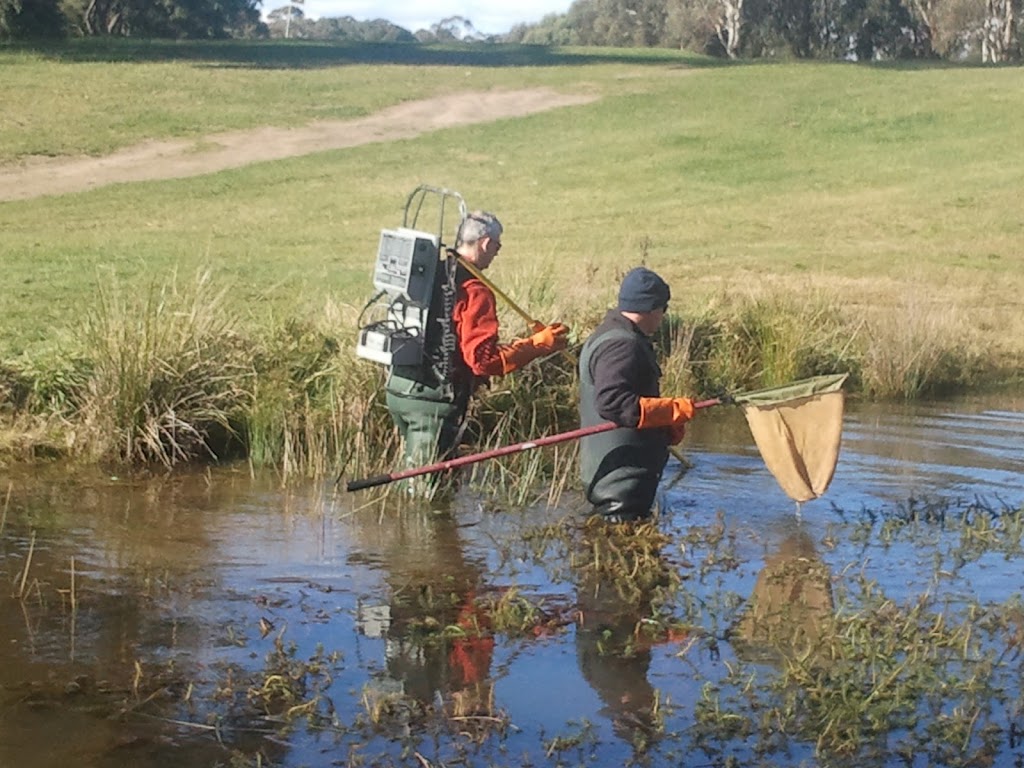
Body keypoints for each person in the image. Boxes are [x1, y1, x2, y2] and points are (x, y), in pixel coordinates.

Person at [386, 210, 569, 483]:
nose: (497, 252)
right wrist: (535, 346)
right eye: (497, 245)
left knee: (417, 477)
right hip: (433, 403)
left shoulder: (430, 273)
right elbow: (484, 362)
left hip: (399, 388)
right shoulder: (475, 290)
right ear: (485, 243)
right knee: (429, 494)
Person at [578, 267, 694, 522]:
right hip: (621, 487)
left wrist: (662, 425)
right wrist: (668, 411)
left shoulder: (608, 334)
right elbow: (611, 402)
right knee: (622, 556)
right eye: (663, 309)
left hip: (617, 480)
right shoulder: (622, 345)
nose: (662, 317)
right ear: (653, 308)